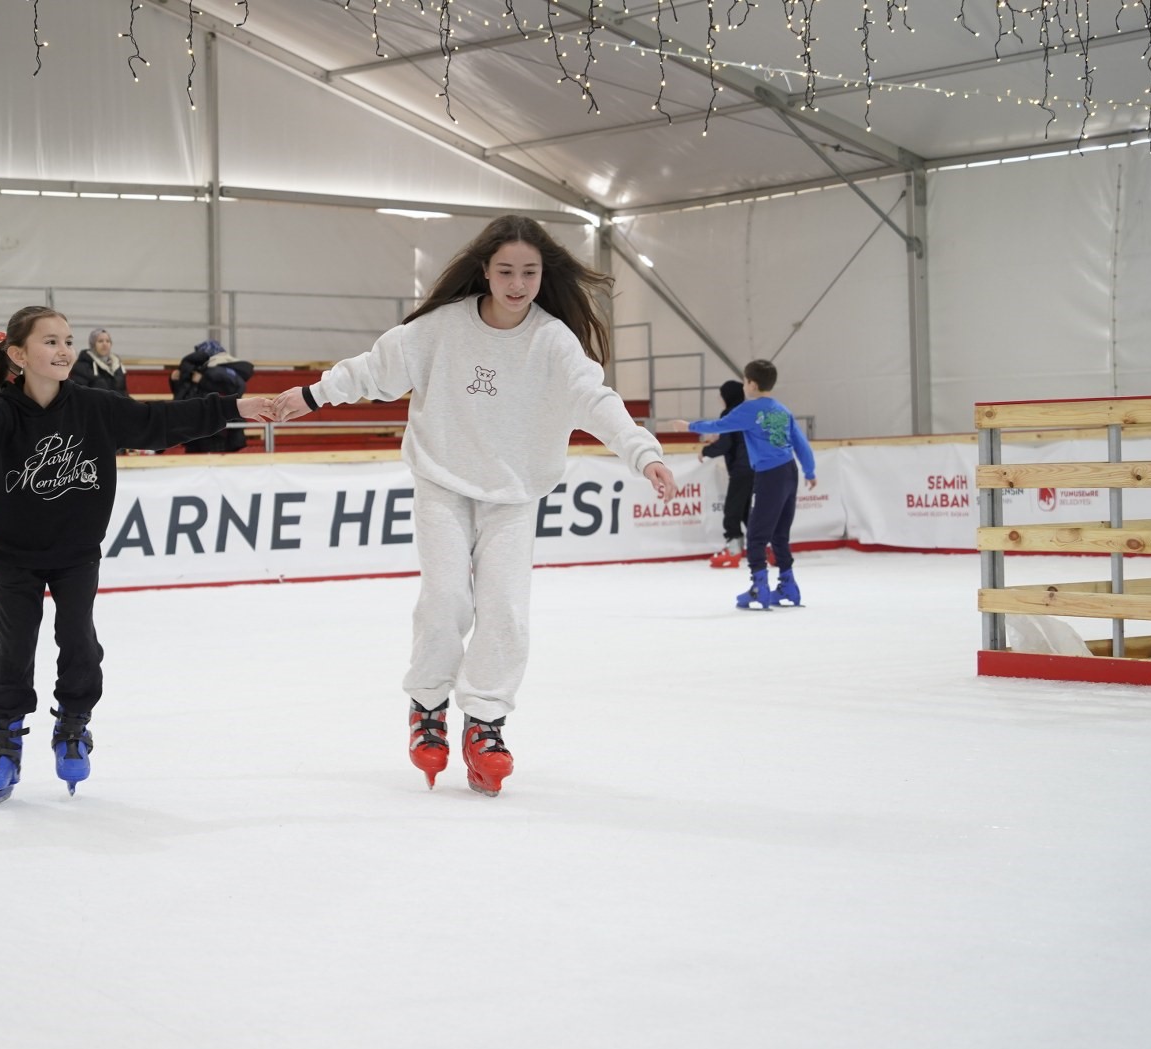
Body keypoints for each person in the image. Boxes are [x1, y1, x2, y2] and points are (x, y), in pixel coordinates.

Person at [271, 214, 677, 798]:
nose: (518, 283)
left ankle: (485, 720)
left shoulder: (553, 342)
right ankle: (428, 705)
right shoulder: (440, 329)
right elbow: (373, 370)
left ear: (543, 276)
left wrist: (645, 454)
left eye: (529, 273)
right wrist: (308, 396)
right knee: (445, 598)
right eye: (506, 270)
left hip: (514, 494)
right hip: (443, 480)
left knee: (506, 610)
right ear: (484, 270)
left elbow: (596, 400)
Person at [0, 305, 274, 806]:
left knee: (77, 638)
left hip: (77, 553)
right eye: (50, 342)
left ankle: (74, 724)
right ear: (18, 354)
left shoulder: (94, 407)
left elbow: (159, 421)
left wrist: (234, 408)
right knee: (14, 647)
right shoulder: (0, 415)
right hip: (16, 556)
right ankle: (5, 741)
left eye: (67, 340)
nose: (63, 350)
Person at [673, 358, 816, 610]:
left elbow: (720, 426)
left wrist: (689, 426)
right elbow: (800, 442)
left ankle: (759, 587)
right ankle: (788, 585)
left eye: (744, 381)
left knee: (757, 534)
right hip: (789, 472)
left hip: (770, 475)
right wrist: (810, 471)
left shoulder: (750, 410)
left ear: (750, 384)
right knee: (780, 534)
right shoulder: (782, 410)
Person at [700, 379, 754, 569]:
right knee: (747, 512)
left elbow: (726, 444)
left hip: (741, 468)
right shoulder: (748, 412)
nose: (719, 398)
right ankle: (766, 548)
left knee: (732, 512)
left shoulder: (730, 414)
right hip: (755, 467)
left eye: (721, 395)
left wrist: (705, 451)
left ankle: (733, 551)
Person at [170, 339, 255, 452]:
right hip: (201, 426)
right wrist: (174, 380)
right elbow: (185, 393)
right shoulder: (204, 369)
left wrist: (203, 381)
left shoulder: (219, 370)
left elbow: (233, 391)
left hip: (217, 429)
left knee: (214, 462)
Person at [69, 328, 129, 396]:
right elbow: (78, 395)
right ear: (93, 344)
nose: (105, 344)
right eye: (100, 341)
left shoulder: (117, 365)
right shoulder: (82, 367)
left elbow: (124, 393)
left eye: (108, 341)